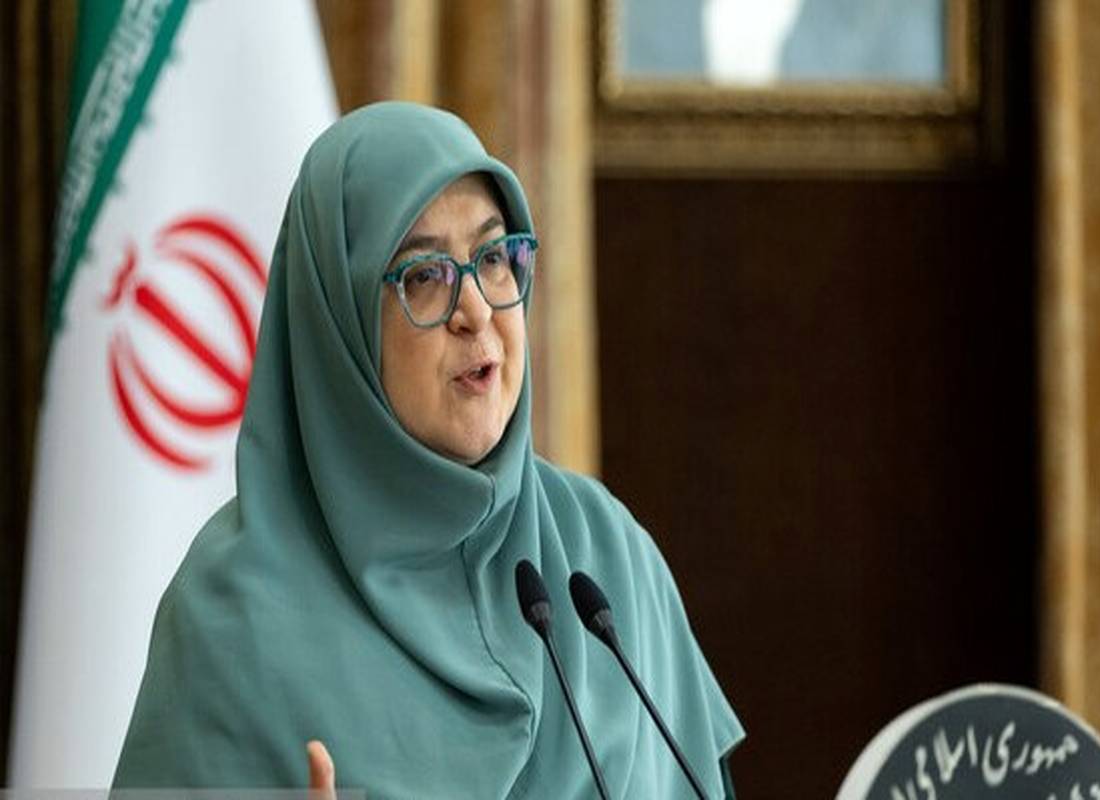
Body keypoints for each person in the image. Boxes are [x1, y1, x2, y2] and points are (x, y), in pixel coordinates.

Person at [112, 102, 744, 798]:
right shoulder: (232, 616)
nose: (476, 310)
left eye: (494, 258)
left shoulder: (605, 559)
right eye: (424, 275)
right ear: (341, 326)